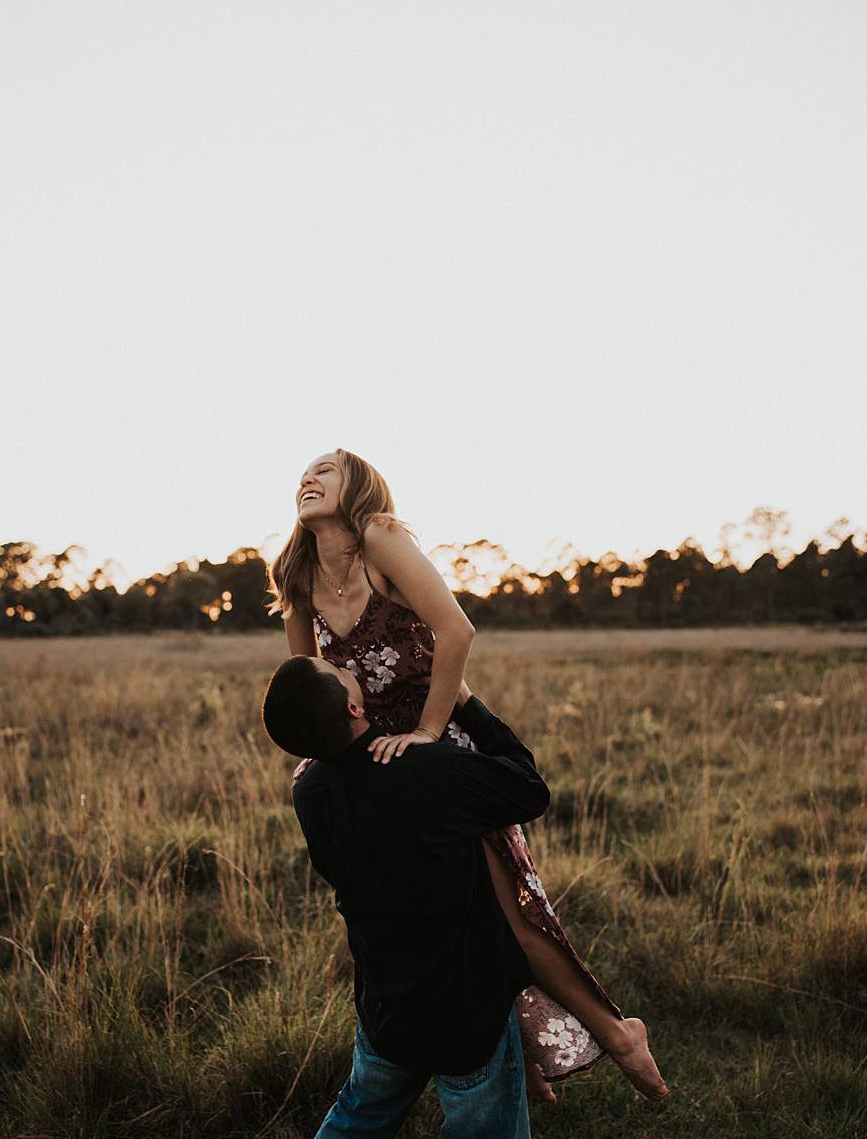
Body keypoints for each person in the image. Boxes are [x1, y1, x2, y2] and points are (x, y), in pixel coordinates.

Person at [269, 447, 668, 1104]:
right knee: (438, 922)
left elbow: (456, 631)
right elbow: (307, 684)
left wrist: (427, 734)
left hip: (434, 753)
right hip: (372, 764)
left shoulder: (379, 539)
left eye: (325, 470)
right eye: (303, 473)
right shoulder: (294, 570)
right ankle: (516, 1060)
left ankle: (619, 1036)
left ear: (359, 485)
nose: (308, 478)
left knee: (503, 911)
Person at [246, 655, 566, 1139]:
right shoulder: (429, 774)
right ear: (355, 711)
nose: (350, 673)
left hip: (387, 1010)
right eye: (342, 678)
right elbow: (528, 787)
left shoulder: (310, 791)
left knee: (347, 1136)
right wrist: (466, 703)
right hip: (465, 1017)